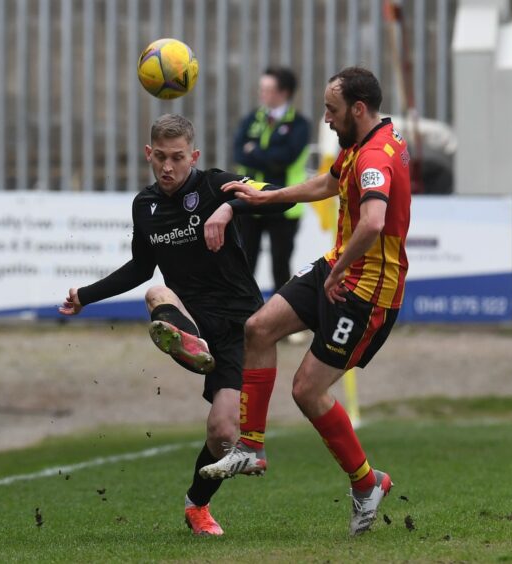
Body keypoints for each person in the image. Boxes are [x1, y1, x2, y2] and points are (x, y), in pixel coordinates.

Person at [199, 67, 412, 537]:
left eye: (332, 110)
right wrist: (263, 198)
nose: (326, 118)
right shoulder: (360, 143)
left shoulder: (376, 154)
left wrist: (338, 271)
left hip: (366, 292)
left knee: (307, 391)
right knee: (258, 328)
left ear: (358, 109)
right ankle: (250, 448)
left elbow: (374, 220)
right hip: (335, 269)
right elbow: (327, 184)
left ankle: (366, 484)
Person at [59, 114, 291, 537]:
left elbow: (282, 197)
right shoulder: (144, 206)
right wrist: (85, 296)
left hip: (240, 324)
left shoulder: (215, 184)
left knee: (224, 433)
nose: (168, 167)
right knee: (155, 293)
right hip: (189, 311)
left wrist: (230, 205)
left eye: (178, 158)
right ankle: (187, 339)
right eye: (161, 157)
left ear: (194, 156)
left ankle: (196, 505)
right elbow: (140, 269)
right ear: (149, 154)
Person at [233, 66, 311, 293]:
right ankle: (243, 320)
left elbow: (286, 158)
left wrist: (254, 151)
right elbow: (238, 153)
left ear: (284, 93)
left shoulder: (299, 124)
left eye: (267, 89)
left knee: (280, 266)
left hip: (283, 205)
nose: (262, 94)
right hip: (248, 203)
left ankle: (281, 322)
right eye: (261, 88)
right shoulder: (251, 119)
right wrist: (266, 156)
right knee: (244, 264)